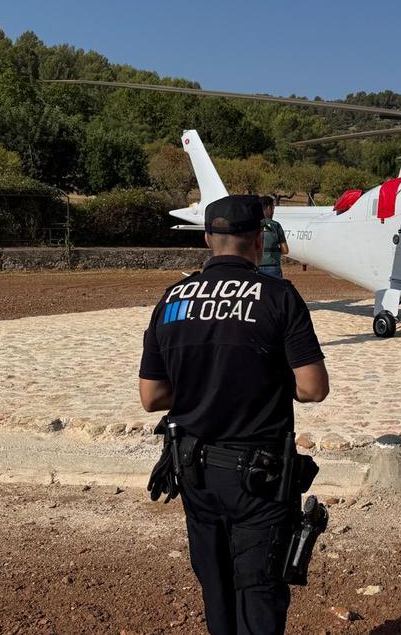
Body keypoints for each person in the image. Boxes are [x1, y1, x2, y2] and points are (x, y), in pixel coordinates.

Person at [139, 194, 329, 634]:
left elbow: (151, 396)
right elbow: (312, 387)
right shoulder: (278, 296)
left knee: (217, 592)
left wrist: (201, 385)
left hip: (195, 474)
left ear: (208, 238)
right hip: (258, 479)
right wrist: (262, 380)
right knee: (259, 596)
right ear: (259, 238)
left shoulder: (172, 299)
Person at [259, 196, 289, 279]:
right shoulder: (276, 225)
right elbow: (285, 250)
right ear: (269, 208)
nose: (273, 212)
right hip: (273, 267)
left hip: (255, 267)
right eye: (273, 209)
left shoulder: (252, 225)